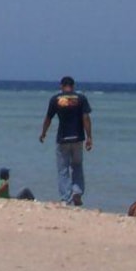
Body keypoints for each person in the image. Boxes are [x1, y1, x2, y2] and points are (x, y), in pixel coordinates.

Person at [39, 76, 93, 206]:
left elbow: (48, 118)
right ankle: (77, 192)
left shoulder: (55, 99)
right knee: (77, 166)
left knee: (63, 169)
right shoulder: (81, 98)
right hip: (78, 138)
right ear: (73, 86)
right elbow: (86, 118)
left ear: (61, 86)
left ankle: (66, 198)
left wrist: (43, 133)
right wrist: (89, 137)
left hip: (62, 138)